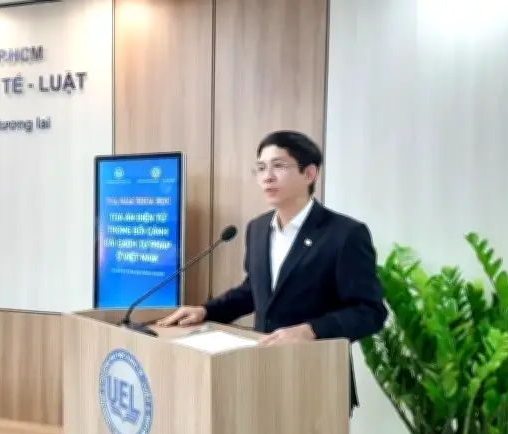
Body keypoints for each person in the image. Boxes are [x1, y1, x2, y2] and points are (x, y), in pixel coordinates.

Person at [157, 130, 388, 414]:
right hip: (262, 370)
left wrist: (312, 330)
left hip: (316, 380)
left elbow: (369, 311)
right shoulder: (258, 228)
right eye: (261, 168)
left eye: (279, 166)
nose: (267, 177)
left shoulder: (344, 234)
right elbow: (252, 291)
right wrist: (206, 311)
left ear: (309, 174)